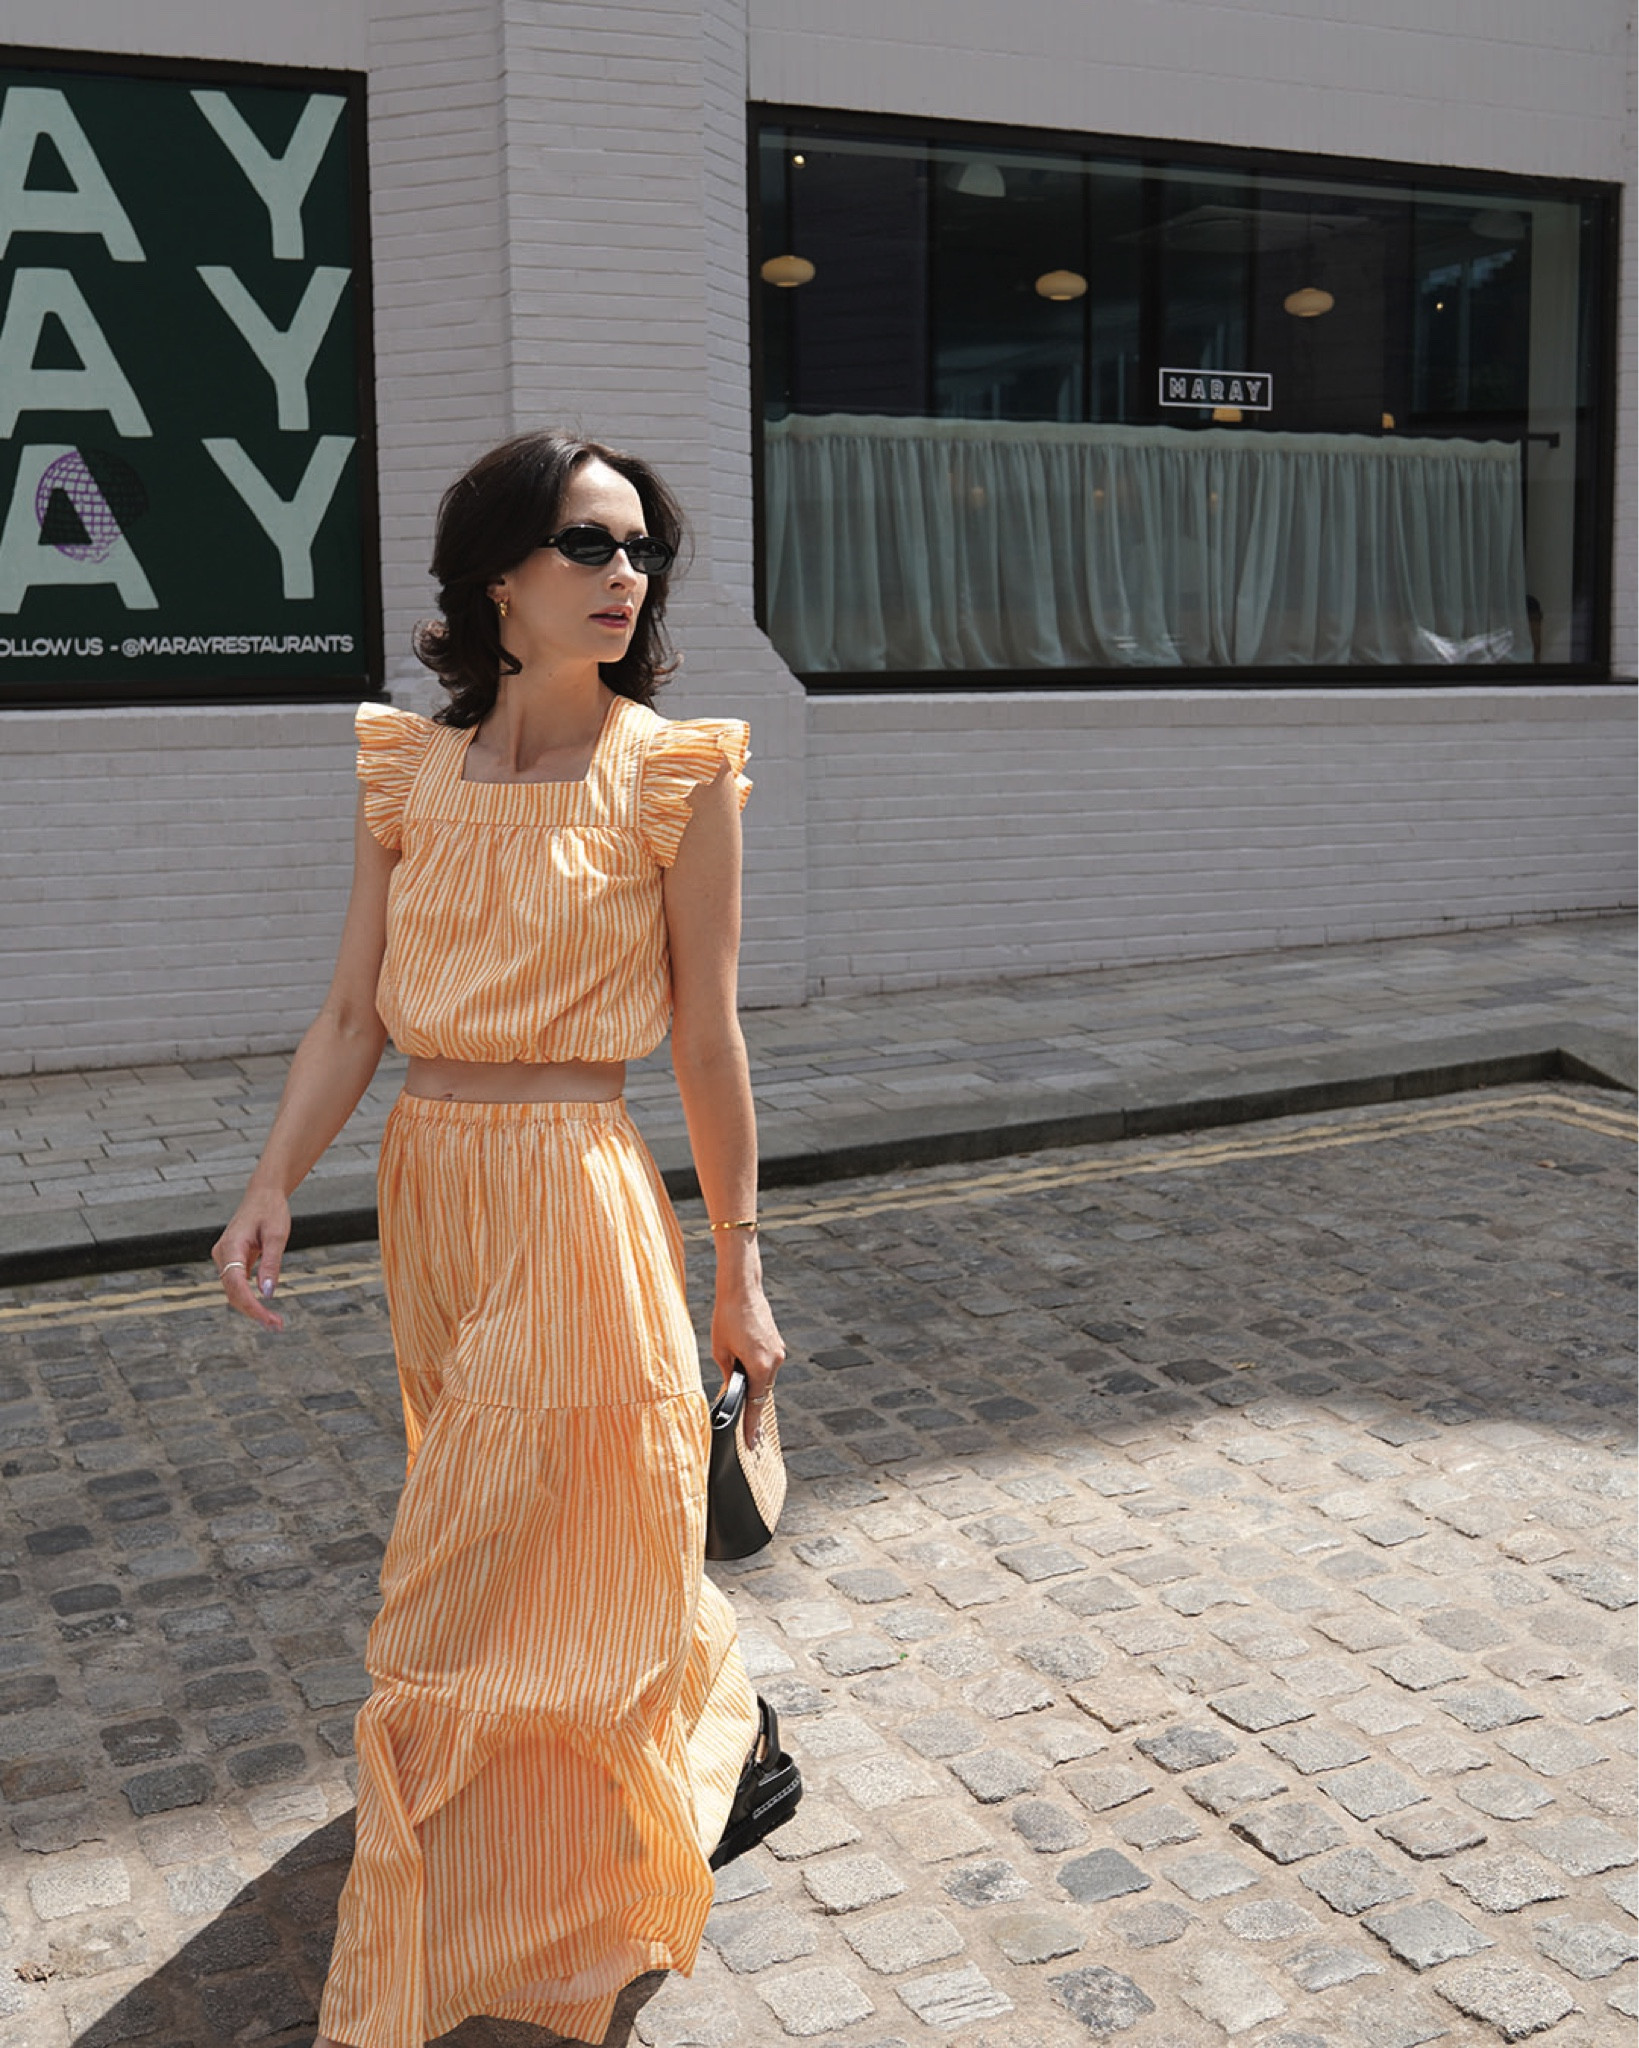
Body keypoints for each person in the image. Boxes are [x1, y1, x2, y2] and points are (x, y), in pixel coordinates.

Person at [212, 431, 798, 2048]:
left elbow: (709, 1042)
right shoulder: (410, 770)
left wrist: (737, 1263)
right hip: (433, 1189)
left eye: (639, 552)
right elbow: (351, 1009)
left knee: (484, 1579)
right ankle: (693, 1737)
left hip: (575, 1188)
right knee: (545, 1534)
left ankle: (529, 1925)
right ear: (497, 575)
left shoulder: (676, 773)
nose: (627, 578)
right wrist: (273, 1182)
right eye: (589, 547)